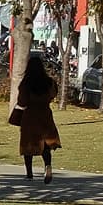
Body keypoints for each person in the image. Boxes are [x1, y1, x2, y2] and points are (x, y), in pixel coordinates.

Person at [10, 53, 62, 183]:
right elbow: (53, 94)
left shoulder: (26, 84)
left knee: (28, 144)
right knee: (45, 142)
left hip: (30, 116)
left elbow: (22, 101)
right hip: (45, 114)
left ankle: (29, 173)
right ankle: (48, 166)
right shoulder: (49, 82)